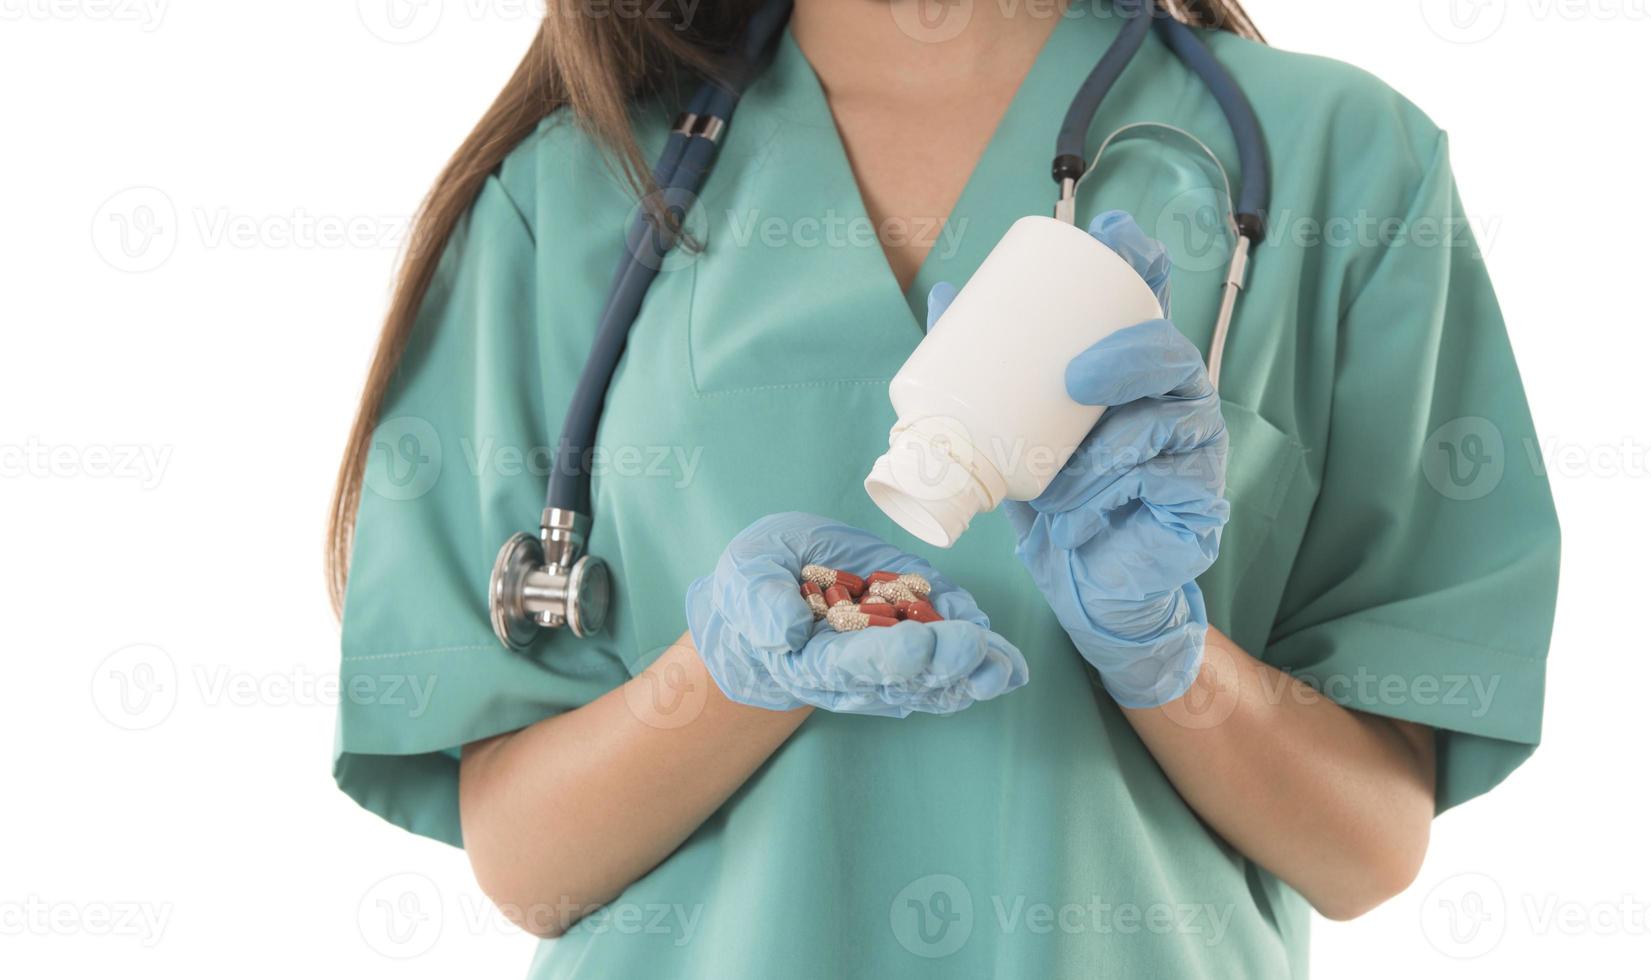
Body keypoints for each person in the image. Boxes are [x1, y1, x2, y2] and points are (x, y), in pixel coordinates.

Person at [328, 1, 1560, 975]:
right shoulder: (574, 190)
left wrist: (1168, 658)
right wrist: (729, 675)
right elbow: (524, 862)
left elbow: (1366, 850)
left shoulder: (1343, 169)